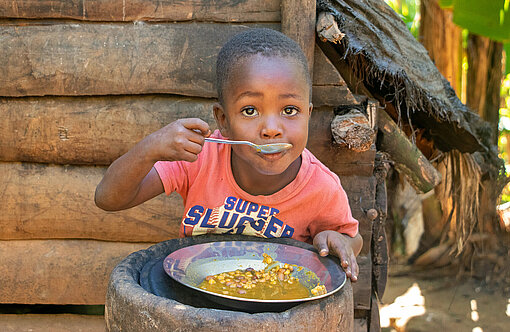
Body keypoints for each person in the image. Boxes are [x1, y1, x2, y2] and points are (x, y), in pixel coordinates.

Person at [95, 28, 362, 281]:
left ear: (308, 115)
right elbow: (108, 198)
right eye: (250, 111)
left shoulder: (321, 188)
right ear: (222, 120)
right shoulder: (201, 157)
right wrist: (150, 148)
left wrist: (335, 239)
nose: (271, 130)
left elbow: (352, 239)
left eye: (290, 110)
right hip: (196, 299)